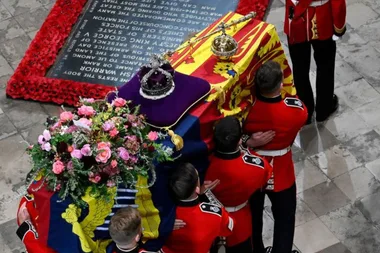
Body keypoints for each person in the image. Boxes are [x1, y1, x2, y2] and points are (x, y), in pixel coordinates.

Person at [242, 61, 308, 253]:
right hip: (282, 169)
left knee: (254, 216)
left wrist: (248, 141)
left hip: (253, 168)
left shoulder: (248, 110)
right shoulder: (296, 110)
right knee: (285, 217)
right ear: (280, 84)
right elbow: (301, 117)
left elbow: (237, 134)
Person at [205, 116, 273, 252]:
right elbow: (266, 177)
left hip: (212, 222)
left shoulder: (205, 165)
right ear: (240, 139)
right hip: (240, 224)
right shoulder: (256, 166)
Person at [284, 0, 346, 123]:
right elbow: (338, 4)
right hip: (321, 20)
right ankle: (324, 109)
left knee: (299, 68)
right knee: (325, 66)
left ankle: (305, 111)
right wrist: (339, 27)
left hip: (295, 18)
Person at [162, 162, 234, 253]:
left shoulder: (162, 215)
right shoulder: (214, 214)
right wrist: (206, 194)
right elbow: (229, 227)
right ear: (197, 188)